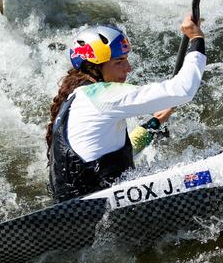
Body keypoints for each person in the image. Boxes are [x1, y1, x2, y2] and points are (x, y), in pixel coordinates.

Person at [46, 14, 206, 202]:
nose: (128, 68)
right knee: (199, 178)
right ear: (94, 67)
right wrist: (196, 39)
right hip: (94, 211)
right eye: (119, 62)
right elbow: (183, 89)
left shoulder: (77, 97)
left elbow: (110, 153)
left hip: (82, 207)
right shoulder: (103, 95)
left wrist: (154, 123)